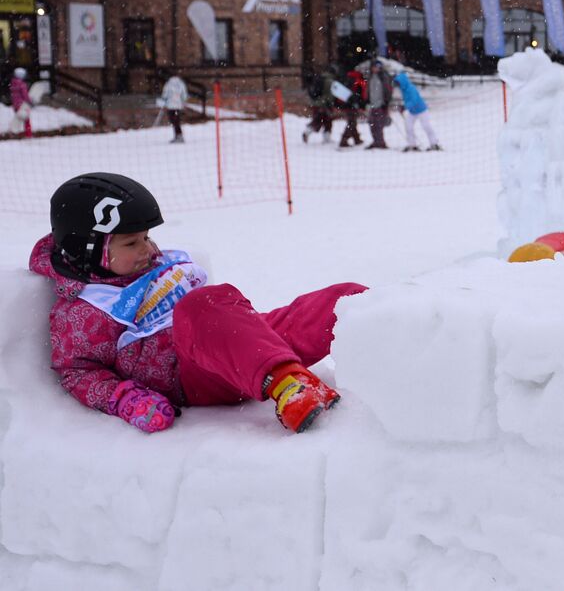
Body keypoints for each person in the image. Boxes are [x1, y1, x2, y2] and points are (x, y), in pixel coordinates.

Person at [30, 173, 366, 434]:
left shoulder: (147, 265)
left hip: (236, 345)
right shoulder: (84, 311)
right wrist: (126, 400)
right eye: (132, 242)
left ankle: (389, 332)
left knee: (343, 300)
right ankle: (289, 386)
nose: (148, 249)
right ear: (88, 251)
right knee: (200, 305)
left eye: (147, 237)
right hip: (191, 375)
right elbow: (77, 372)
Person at [393, 68, 441, 151]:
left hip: (421, 110)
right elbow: (407, 101)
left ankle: (434, 144)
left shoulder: (411, 88)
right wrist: (402, 106)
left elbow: (414, 101)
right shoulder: (403, 89)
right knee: (408, 126)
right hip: (412, 111)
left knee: (426, 126)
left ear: (402, 82)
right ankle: (412, 145)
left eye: (398, 83)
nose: (398, 86)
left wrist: (405, 107)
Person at [303, 65, 337, 144]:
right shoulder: (330, 81)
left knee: (320, 120)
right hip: (324, 104)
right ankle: (309, 132)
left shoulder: (320, 78)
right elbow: (329, 95)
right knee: (325, 121)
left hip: (316, 103)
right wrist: (330, 104)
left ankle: (310, 133)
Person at [364, 59, 394, 150]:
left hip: (381, 104)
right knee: (372, 124)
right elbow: (369, 90)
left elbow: (388, 90)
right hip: (372, 104)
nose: (376, 69)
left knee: (379, 124)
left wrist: (386, 102)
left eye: (378, 67)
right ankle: (375, 141)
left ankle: (381, 142)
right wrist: (367, 100)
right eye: (375, 67)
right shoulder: (370, 77)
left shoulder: (384, 77)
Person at [339, 66, 367, 148]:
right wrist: (359, 104)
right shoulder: (357, 80)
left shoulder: (349, 78)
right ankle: (343, 140)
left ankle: (356, 139)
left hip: (347, 103)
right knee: (352, 122)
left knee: (352, 121)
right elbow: (358, 94)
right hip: (352, 104)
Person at [157, 69, 187, 144]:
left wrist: (163, 102)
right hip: (178, 105)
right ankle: (179, 135)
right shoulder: (181, 83)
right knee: (177, 121)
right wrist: (183, 103)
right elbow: (184, 94)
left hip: (171, 106)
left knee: (173, 121)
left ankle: (177, 136)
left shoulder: (168, 84)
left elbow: (165, 94)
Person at [7, 66, 32, 138]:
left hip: (15, 105)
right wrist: (30, 102)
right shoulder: (22, 84)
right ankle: (28, 135)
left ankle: (14, 133)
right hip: (22, 105)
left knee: (18, 119)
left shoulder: (13, 84)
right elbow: (25, 96)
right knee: (26, 120)